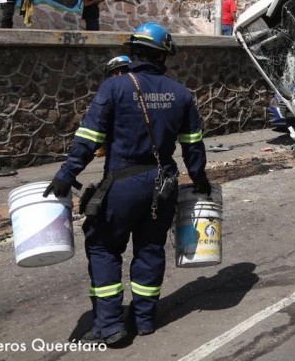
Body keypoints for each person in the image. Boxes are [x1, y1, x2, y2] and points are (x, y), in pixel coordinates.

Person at [43, 22, 210, 346]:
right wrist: (201, 181)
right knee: (150, 248)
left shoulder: (115, 88)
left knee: (104, 249)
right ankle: (144, 319)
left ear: (133, 51)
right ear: (164, 56)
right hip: (163, 186)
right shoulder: (181, 94)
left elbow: (88, 139)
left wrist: (66, 175)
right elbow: (193, 145)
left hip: (122, 185)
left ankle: (110, 327)